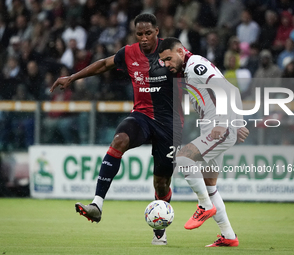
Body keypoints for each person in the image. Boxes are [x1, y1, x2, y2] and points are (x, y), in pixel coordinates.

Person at [50, 13, 183, 245]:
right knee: (119, 139)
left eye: (148, 33)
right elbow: (103, 64)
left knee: (161, 184)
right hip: (141, 116)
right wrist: (72, 77)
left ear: (157, 32)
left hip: (169, 124)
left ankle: (159, 229)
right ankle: (97, 205)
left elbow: (193, 68)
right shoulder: (128, 53)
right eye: (139, 34)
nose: (143, 38)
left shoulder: (172, 49)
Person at [158, 37, 249, 247]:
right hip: (215, 126)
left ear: (180, 51)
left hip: (219, 127)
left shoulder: (196, 66)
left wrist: (230, 122)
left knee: (182, 157)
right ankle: (228, 236)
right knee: (210, 184)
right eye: (164, 61)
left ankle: (204, 206)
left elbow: (229, 90)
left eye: (169, 59)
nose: (167, 64)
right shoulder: (186, 70)